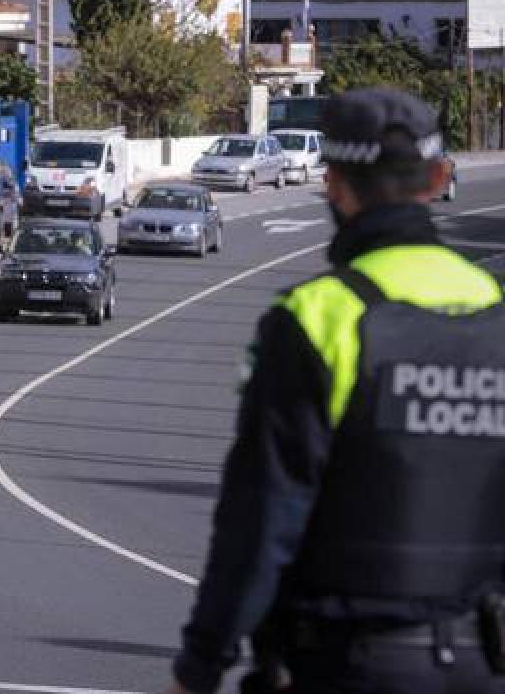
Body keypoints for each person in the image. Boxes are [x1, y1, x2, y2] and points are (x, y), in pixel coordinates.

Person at [167, 87, 505, 694]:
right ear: (438, 179)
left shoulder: (318, 318)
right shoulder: (495, 313)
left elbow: (262, 516)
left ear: (336, 187)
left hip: (347, 665)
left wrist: (200, 664)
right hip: (481, 664)